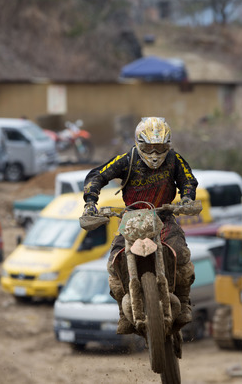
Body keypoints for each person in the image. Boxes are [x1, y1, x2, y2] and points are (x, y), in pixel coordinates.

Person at [81, 116, 198, 335]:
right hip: (132, 218)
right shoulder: (127, 159)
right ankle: (123, 313)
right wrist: (90, 203)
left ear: (168, 145)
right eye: (149, 147)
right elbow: (97, 175)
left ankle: (184, 303)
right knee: (114, 264)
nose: (154, 154)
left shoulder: (174, 159)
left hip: (163, 216)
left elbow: (188, 180)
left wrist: (187, 199)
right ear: (139, 143)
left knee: (181, 254)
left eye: (160, 147)